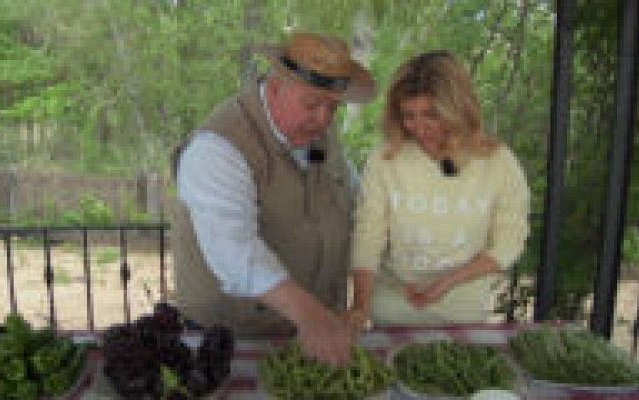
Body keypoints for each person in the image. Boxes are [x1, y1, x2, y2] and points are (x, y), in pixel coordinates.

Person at [170, 32, 376, 366]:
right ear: (276, 87)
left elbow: (352, 200)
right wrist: (310, 314)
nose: (324, 120)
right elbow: (235, 253)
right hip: (233, 341)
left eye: (333, 107)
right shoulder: (220, 147)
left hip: (313, 332)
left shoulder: (319, 131)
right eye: (312, 104)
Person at [347, 51, 530, 328]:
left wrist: (449, 282)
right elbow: (368, 236)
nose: (419, 128)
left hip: (464, 309)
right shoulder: (384, 160)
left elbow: (509, 240)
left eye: (431, 115)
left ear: (458, 108)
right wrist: (359, 309)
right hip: (393, 306)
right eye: (409, 116)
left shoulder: (498, 162)